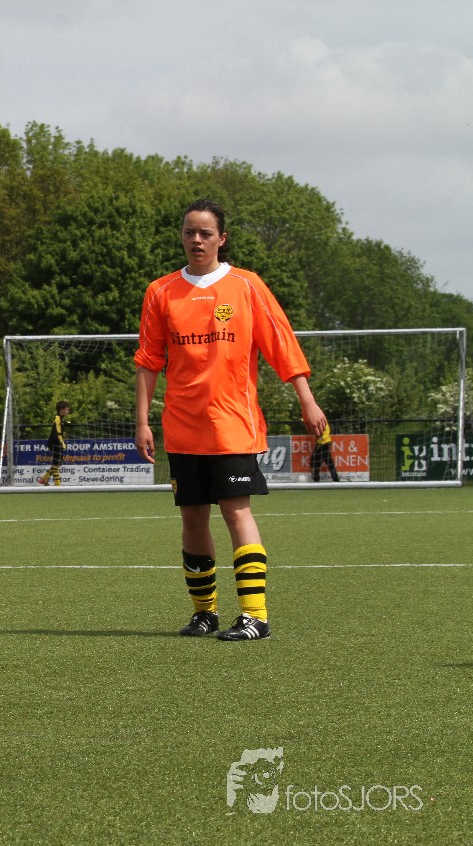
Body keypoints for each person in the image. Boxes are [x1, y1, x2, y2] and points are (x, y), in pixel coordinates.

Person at [134, 199, 327, 642]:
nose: (196, 240)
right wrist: (142, 421)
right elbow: (148, 361)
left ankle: (255, 616)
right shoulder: (160, 292)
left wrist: (308, 400)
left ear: (222, 239)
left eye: (205, 233)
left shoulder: (246, 285)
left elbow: (281, 343)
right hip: (182, 425)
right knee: (192, 517)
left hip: (233, 423)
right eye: (189, 232)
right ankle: (205, 614)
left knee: (236, 511)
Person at [37, 400, 70, 486]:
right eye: (67, 409)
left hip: (55, 443)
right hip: (56, 444)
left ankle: (43, 479)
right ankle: (58, 485)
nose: (68, 411)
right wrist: (62, 444)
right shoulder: (57, 419)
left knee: (58, 464)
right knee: (56, 466)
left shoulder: (60, 419)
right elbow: (57, 434)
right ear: (61, 409)